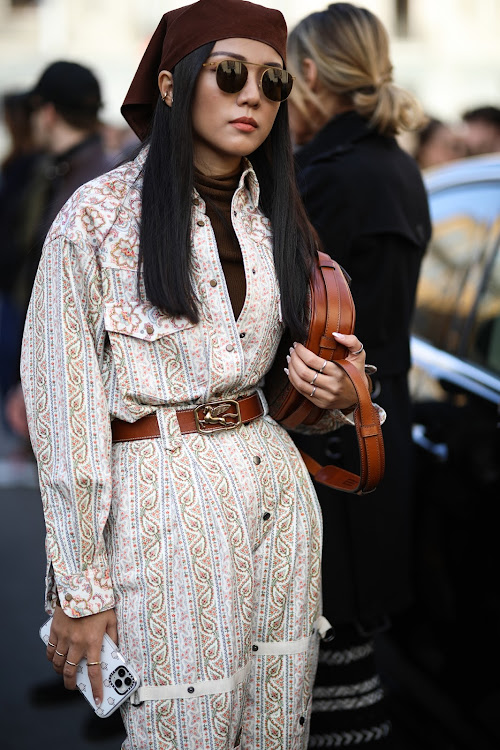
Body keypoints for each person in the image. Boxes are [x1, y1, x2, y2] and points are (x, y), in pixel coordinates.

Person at [20, 1, 376, 747]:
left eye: (274, 82)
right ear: (174, 84)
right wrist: (80, 592)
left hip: (278, 499)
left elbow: (298, 371)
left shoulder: (276, 218)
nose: (254, 95)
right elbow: (64, 417)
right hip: (163, 515)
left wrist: (343, 396)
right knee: (181, 730)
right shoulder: (96, 220)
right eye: (231, 73)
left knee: (278, 730)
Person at [286, 4, 431, 747]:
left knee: (325, 672)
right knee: (340, 661)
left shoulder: (334, 175)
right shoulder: (394, 164)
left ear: (310, 73)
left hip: (332, 435)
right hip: (371, 424)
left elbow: (304, 328)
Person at [6, 60, 112, 438]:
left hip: (74, 374)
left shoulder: (90, 186)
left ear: (47, 112)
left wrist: (34, 377)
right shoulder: (66, 172)